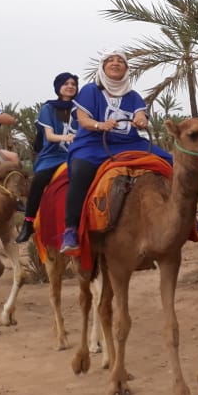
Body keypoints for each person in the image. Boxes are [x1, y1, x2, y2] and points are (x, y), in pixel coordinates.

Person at [59, 49, 171, 254]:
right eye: (110, 60)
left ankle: (181, 215)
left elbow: (141, 115)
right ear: (103, 67)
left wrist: (141, 120)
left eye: (120, 61)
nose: (115, 63)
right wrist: (100, 125)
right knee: (80, 170)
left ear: (126, 68)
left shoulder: (133, 96)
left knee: (169, 161)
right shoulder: (90, 91)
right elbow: (83, 119)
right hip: (93, 143)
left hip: (129, 143)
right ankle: (71, 229)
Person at [15, 72, 79, 243]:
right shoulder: (48, 108)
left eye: (73, 84)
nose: (70, 86)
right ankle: (28, 222)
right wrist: (68, 137)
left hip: (77, 153)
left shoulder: (81, 109)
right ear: (58, 87)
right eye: (66, 83)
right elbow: (49, 136)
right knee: (39, 180)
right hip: (53, 155)